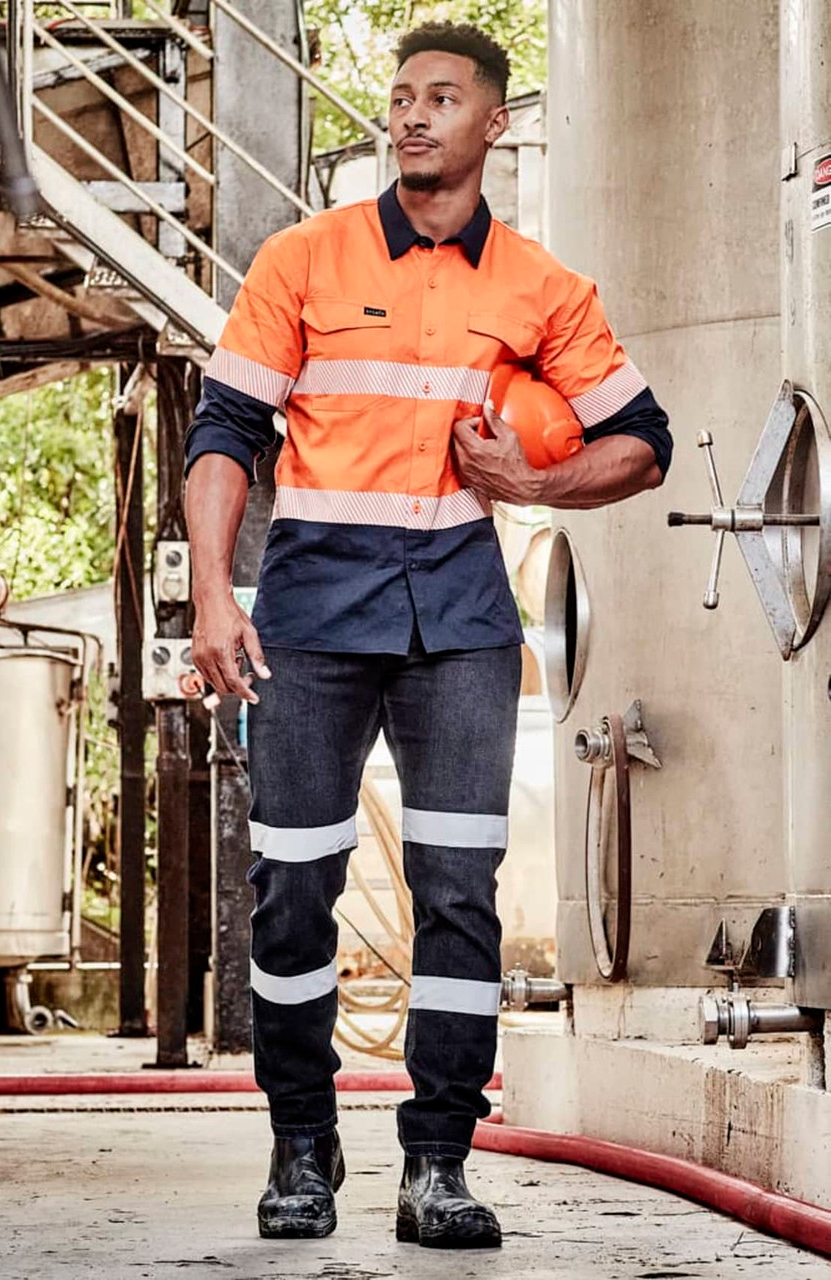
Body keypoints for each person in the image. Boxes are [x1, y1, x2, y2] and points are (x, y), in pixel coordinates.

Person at [185, 20, 672, 1251]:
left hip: (456, 614)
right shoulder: (303, 257)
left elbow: (642, 439)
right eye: (399, 97)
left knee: (458, 889)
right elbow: (224, 432)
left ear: (490, 123)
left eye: (440, 97)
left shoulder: (541, 289)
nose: (409, 116)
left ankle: (438, 1161)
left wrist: (539, 485)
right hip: (309, 611)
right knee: (292, 888)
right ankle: (301, 1137)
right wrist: (210, 593)